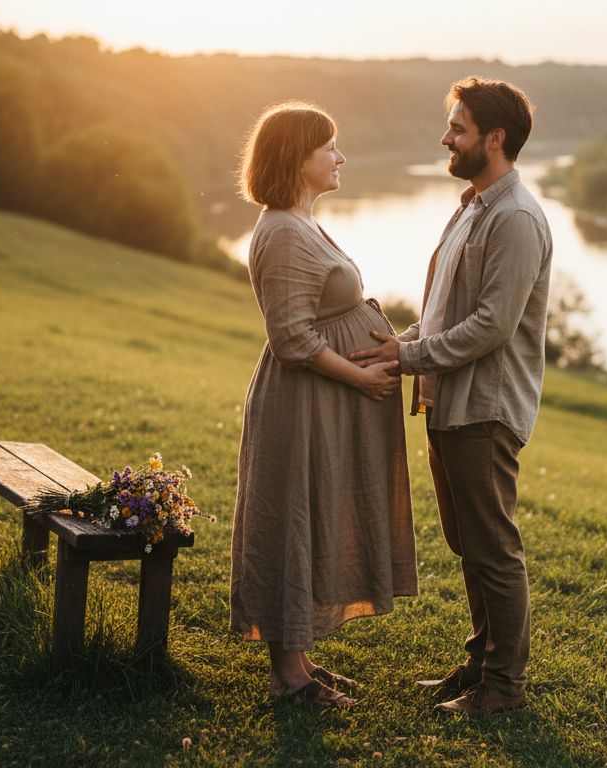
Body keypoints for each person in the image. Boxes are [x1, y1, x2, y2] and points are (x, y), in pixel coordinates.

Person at [350, 77, 552, 716]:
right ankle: (480, 665)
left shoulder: (516, 219)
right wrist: (396, 341)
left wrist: (406, 357)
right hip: (448, 405)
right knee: (469, 543)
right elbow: (443, 314)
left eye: (459, 128)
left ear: (495, 139)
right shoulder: (472, 206)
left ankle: (504, 689)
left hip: (484, 410)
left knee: (493, 548)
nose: (446, 137)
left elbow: (490, 327)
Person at [230, 101, 419, 710]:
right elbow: (291, 337)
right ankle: (287, 678)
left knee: (310, 514)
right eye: (329, 147)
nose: (341, 157)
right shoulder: (282, 231)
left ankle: (300, 659)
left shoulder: (301, 221)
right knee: (292, 516)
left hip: (321, 402)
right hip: (302, 402)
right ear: (297, 157)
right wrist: (361, 380)